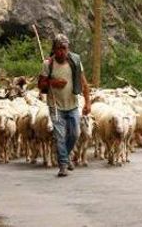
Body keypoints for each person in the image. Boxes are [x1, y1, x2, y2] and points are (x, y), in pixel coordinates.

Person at [37, 33, 91, 177]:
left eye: (64, 48)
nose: (62, 51)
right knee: (60, 136)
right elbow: (40, 84)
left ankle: (65, 157)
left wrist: (88, 102)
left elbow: (84, 83)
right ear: (54, 49)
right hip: (55, 106)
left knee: (75, 134)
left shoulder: (75, 61)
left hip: (72, 104)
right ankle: (63, 164)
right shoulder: (48, 64)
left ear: (68, 48)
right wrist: (52, 82)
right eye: (59, 48)